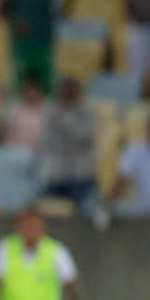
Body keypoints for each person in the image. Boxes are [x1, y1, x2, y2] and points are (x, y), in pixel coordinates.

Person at [0, 207, 84, 300]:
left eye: (34, 226)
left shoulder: (56, 251)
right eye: (27, 226)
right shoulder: (4, 248)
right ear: (18, 227)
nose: (30, 230)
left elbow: (70, 282)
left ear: (43, 228)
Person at [1, 0, 58, 94]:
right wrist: (15, 23)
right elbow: (3, 8)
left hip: (44, 42)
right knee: (21, 88)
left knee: (47, 88)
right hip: (22, 44)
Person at [42, 76, 97, 210]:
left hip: (81, 177)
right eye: (64, 92)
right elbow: (50, 140)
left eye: (71, 92)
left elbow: (83, 137)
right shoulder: (51, 111)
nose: (67, 95)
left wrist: (67, 116)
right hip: (58, 176)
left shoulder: (86, 112)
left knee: (89, 210)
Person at [3, 76, 47, 152]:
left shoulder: (47, 112)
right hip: (16, 152)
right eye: (28, 91)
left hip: (39, 153)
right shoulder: (14, 110)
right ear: (23, 93)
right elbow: (6, 133)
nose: (31, 94)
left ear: (39, 93)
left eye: (34, 91)